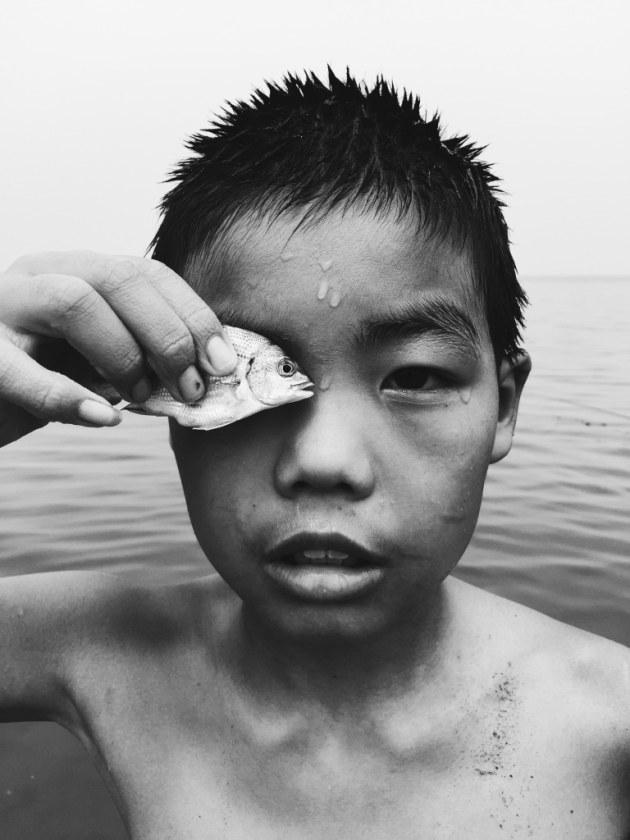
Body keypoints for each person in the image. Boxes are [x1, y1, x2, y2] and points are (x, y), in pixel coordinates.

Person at [0, 70, 628, 839]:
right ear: (166, 396)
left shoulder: (607, 724)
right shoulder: (104, 649)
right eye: (235, 380)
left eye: (416, 378)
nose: (326, 460)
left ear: (503, 405)